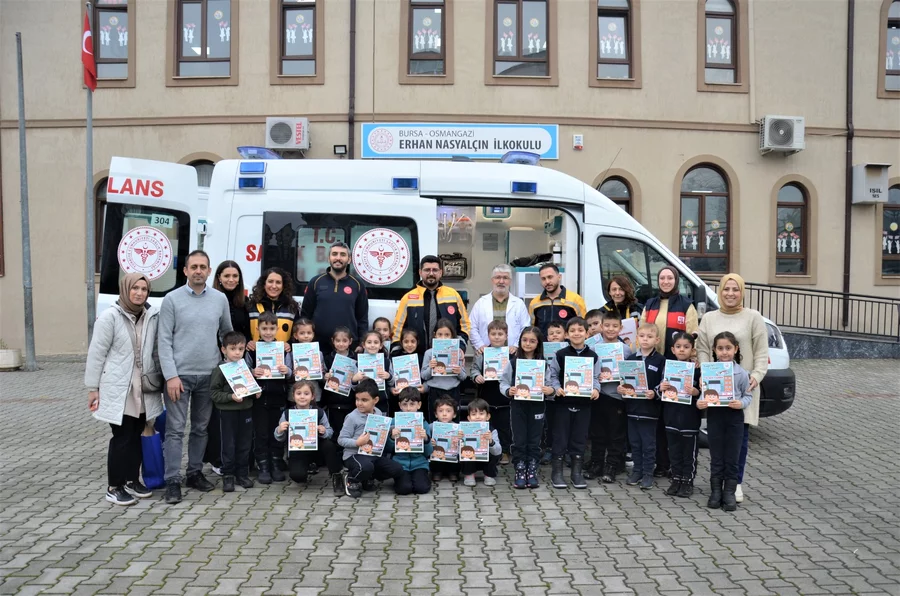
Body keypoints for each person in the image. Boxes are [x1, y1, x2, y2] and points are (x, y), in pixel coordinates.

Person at [158, 250, 233, 504]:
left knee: (201, 429)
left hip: (209, 375)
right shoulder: (171, 299)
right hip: (179, 377)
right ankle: (172, 480)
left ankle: (194, 473)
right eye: (194, 267)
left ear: (209, 271)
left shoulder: (220, 299)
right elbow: (163, 340)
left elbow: (226, 335)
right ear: (185, 271)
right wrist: (171, 376)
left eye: (203, 267)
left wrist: (227, 367)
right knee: (175, 430)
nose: (198, 271)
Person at [86, 273, 164, 506]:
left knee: (138, 433)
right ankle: (114, 486)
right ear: (125, 289)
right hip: (119, 387)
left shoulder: (151, 316)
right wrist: (92, 387)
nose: (139, 293)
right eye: (135, 288)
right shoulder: (110, 316)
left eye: (144, 289)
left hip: (144, 387)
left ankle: (132, 480)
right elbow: (97, 353)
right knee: (122, 437)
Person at [695, 273, 768, 504]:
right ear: (720, 291)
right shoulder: (709, 318)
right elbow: (702, 349)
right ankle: (718, 485)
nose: (730, 293)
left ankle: (735, 483)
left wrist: (756, 376)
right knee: (718, 440)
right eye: (726, 289)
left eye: (735, 289)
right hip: (716, 389)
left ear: (742, 292)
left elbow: (761, 351)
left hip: (743, 386)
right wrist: (705, 374)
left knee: (740, 439)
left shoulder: (753, 317)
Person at [640, 265, 698, 479]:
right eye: (662, 278)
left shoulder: (686, 305)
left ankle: (678, 466)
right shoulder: (650, 304)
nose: (665, 281)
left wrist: (693, 359)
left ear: (676, 280)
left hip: (676, 366)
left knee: (674, 418)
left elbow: (693, 335)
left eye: (670, 278)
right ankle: (661, 463)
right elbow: (643, 331)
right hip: (654, 364)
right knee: (656, 417)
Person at [697, 331, 753, 512]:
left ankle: (729, 492)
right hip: (715, 417)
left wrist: (741, 403)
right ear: (714, 350)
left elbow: (748, 396)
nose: (724, 352)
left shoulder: (742, 373)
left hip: (734, 418)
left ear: (735, 349)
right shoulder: (709, 372)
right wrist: (700, 403)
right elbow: (703, 395)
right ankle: (715, 491)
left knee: (732, 456)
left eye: (728, 348)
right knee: (717, 456)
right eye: (720, 348)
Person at [207, 260, 250, 477]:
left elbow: (247, 330)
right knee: (219, 415)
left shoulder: (245, 302)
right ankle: (218, 459)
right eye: (227, 276)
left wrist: (246, 346)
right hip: (219, 360)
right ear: (219, 278)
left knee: (237, 417)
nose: (231, 280)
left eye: (235, 276)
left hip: (239, 360)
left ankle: (238, 461)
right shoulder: (212, 300)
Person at [546, 317, 601, 490]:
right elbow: (553, 375)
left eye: (580, 330)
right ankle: (557, 473)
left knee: (579, 438)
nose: (577, 333)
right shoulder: (560, 354)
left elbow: (596, 377)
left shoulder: (593, 356)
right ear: (567, 335)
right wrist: (556, 388)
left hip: (584, 405)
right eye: (572, 331)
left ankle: (576, 473)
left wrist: (596, 389)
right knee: (560, 437)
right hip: (563, 404)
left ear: (587, 333)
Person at [500, 326, 553, 489]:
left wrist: (549, 390)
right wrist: (508, 390)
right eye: (524, 340)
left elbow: (551, 384)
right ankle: (520, 468)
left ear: (538, 344)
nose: (528, 344)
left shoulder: (544, 365)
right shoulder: (513, 363)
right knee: (519, 438)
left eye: (532, 341)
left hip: (537, 405)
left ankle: (532, 468)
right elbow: (503, 382)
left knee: (534, 438)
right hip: (518, 405)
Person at [584, 311, 633, 484]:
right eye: (607, 326)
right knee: (597, 433)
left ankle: (612, 465)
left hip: (617, 398)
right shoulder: (593, 348)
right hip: (598, 396)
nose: (610, 329)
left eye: (614, 326)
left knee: (616, 434)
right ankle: (596, 463)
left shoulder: (625, 349)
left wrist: (624, 385)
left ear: (621, 328)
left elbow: (630, 373)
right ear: (601, 327)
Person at [246, 311, 293, 484]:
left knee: (277, 432)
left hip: (278, 398)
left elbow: (291, 373)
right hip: (259, 399)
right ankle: (263, 466)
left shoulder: (283, 349)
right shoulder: (252, 350)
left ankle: (276, 464)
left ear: (277, 329)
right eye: (264, 328)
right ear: (258, 329)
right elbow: (245, 371)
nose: (268, 332)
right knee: (261, 433)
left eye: (272, 328)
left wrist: (286, 371)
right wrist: (252, 372)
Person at [274, 380, 344, 495]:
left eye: (306, 394)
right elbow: (279, 438)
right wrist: (279, 430)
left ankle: (337, 476)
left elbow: (330, 432)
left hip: (317, 449)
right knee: (297, 476)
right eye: (299, 393)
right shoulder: (287, 413)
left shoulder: (319, 412)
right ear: (293, 396)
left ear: (312, 396)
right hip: (298, 450)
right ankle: (306, 467)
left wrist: (323, 431)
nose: (302, 397)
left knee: (329, 445)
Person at [337, 379, 403, 498]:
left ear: (375, 400)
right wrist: (357, 442)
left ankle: (367, 477)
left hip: (372, 453)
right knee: (365, 466)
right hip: (353, 455)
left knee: (397, 469)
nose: (359, 403)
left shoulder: (378, 412)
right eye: (357, 399)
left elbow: (381, 429)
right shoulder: (352, 417)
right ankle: (351, 480)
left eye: (364, 400)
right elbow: (341, 439)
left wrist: (391, 429)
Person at [392, 255, 471, 353]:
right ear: (420, 272)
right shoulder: (408, 298)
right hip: (417, 356)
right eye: (427, 270)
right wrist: (396, 351)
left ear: (441, 272)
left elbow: (464, 325)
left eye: (435, 270)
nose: (431, 273)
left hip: (447, 354)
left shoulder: (453, 295)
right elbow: (398, 328)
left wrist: (460, 347)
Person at [619, 323, 665, 490]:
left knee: (648, 445)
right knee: (635, 443)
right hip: (632, 409)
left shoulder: (660, 360)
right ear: (637, 338)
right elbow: (624, 381)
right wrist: (621, 388)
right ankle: (637, 471)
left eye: (650, 337)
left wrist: (655, 392)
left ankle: (648, 474)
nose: (645, 339)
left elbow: (664, 383)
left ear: (657, 340)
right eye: (642, 336)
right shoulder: (631, 359)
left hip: (650, 411)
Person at [209, 331, 255, 493]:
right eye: (233, 349)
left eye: (241, 349)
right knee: (228, 445)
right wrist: (230, 397)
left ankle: (242, 474)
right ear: (224, 350)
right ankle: (228, 475)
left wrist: (256, 393)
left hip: (246, 411)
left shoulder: (245, 367)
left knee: (244, 444)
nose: (237, 352)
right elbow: (214, 393)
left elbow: (249, 386)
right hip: (227, 413)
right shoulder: (220, 370)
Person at [300, 242, 369, 347]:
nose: (338, 258)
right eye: (334, 254)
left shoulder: (358, 284)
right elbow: (305, 315)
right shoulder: (316, 282)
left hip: (347, 346)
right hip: (318, 345)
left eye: (343, 255)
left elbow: (362, 318)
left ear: (349, 259)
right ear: (329, 258)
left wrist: (361, 343)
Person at [659, 332, 703, 498]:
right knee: (674, 452)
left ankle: (687, 481)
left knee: (689, 453)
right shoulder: (668, 368)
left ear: (692, 350)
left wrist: (696, 392)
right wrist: (661, 388)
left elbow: (706, 394)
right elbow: (659, 390)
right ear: (673, 349)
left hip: (690, 420)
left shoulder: (697, 371)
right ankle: (676, 479)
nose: (682, 350)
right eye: (678, 347)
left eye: (686, 347)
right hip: (671, 418)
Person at [471, 320, 512, 464]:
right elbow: (474, 369)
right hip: (486, 397)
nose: (497, 337)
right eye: (493, 334)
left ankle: (504, 451)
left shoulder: (511, 354)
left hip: (505, 400)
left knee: (504, 427)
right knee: (488, 426)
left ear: (506, 336)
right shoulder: (482, 353)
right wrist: (476, 376)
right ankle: (485, 450)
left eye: (500, 334)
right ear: (488, 335)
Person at [468, 264, 530, 353]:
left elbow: (525, 328)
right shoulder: (481, 303)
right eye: (497, 277)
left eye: (505, 278)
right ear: (492, 280)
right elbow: (471, 327)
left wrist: (516, 345)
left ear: (510, 281)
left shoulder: (519, 304)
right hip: (486, 353)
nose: (501, 281)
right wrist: (479, 345)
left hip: (512, 353)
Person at [421, 319, 468, 417]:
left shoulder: (458, 353)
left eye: (447, 335)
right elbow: (424, 376)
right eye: (440, 334)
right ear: (435, 335)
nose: (443, 338)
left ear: (452, 336)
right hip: (435, 391)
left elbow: (464, 376)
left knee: (453, 419)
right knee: (435, 419)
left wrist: (459, 371)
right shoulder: (429, 353)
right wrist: (431, 368)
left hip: (453, 390)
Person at [391, 388, 432, 495]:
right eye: (405, 404)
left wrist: (426, 439)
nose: (408, 408)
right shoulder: (393, 423)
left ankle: (421, 477)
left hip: (419, 463)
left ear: (419, 405)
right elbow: (387, 449)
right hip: (400, 464)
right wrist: (392, 438)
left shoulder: (424, 423)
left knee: (421, 488)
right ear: (400, 405)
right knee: (404, 489)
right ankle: (402, 480)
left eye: (412, 404)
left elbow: (428, 453)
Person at [528, 263, 587, 336]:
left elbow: (584, 327)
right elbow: (532, 329)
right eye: (543, 279)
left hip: (568, 343)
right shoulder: (534, 303)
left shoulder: (576, 300)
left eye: (550, 277)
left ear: (559, 277)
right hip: (543, 343)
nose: (547, 282)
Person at [248, 267, 299, 347]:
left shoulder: (291, 307)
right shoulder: (251, 306)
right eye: (270, 281)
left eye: (278, 282)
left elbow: (298, 333)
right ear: (264, 284)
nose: (274, 286)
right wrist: (248, 341)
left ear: (283, 286)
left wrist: (290, 344)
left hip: (283, 354)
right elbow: (243, 331)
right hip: (256, 353)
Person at [322, 326, 357, 437]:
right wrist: (325, 376)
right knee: (335, 430)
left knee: (348, 430)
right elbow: (322, 376)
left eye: (344, 341)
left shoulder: (356, 358)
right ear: (333, 341)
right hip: (332, 401)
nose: (341, 344)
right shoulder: (328, 358)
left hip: (350, 401)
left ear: (350, 341)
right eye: (338, 341)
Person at [460, 398, 503, 487]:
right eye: (474, 414)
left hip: (486, 459)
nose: (478, 417)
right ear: (469, 418)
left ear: (488, 416)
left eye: (481, 413)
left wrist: (491, 441)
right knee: (465, 452)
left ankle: (489, 475)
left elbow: (498, 451)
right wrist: (459, 440)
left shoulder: (492, 431)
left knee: (495, 454)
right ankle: (469, 474)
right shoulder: (463, 431)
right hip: (471, 459)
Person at [430, 396, 460, 483]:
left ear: (454, 414)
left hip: (452, 456)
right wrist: (430, 441)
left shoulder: (457, 428)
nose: (444, 414)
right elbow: (425, 439)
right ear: (436, 414)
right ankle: (436, 472)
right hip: (437, 456)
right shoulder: (431, 426)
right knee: (434, 455)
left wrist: (459, 441)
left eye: (448, 411)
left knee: (457, 456)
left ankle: (453, 472)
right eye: (440, 411)